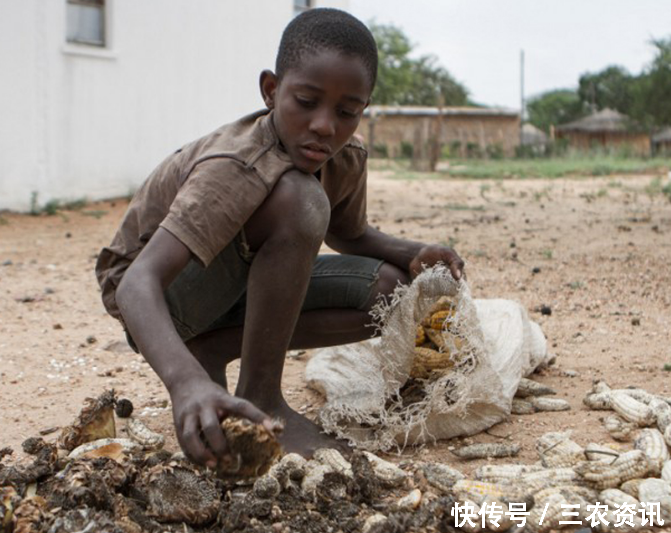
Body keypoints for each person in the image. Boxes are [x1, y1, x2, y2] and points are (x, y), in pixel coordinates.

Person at [95, 8, 464, 467]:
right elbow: (137, 283)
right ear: (271, 90)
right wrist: (185, 382)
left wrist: (413, 252)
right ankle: (262, 395)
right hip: (161, 299)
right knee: (298, 199)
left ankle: (213, 346)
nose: (325, 125)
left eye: (346, 111)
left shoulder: (344, 155)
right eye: (306, 101)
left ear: (363, 108)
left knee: (392, 292)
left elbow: (349, 235)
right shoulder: (236, 164)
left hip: (229, 286)